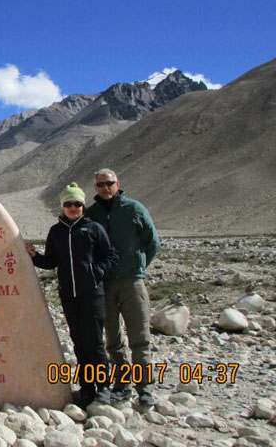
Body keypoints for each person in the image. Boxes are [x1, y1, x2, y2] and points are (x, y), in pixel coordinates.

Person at [26, 182, 118, 407]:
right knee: (78, 342)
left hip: (93, 295)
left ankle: (103, 387)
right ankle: (87, 388)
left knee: (95, 342)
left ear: (83, 205)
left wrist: (96, 273)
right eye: (68, 203)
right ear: (62, 206)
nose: (73, 207)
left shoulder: (94, 228)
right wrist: (34, 255)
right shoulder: (56, 231)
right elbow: (51, 262)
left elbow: (111, 257)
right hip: (69, 296)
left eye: (77, 203)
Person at [87, 168, 159, 407]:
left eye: (109, 183)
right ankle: (122, 385)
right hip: (104, 284)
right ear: (95, 187)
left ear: (118, 184)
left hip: (132, 282)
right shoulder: (92, 214)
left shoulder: (134, 209)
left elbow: (152, 242)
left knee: (140, 337)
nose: (105, 188)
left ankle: (145, 389)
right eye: (100, 184)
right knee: (113, 339)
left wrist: (138, 267)